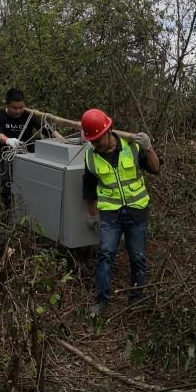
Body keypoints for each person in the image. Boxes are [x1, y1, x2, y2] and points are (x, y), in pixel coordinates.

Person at [81, 108, 161, 318]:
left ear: (108, 131)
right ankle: (101, 300)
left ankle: (135, 299)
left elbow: (156, 168)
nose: (95, 145)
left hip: (137, 212)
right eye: (92, 141)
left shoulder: (132, 147)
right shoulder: (90, 156)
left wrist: (149, 148)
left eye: (98, 140)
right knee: (105, 255)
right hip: (110, 215)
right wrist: (90, 215)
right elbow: (88, 189)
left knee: (138, 257)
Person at [0, 87, 61, 209]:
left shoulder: (29, 116)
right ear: (7, 105)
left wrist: (63, 141)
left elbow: (47, 130)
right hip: (8, 158)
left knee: (31, 186)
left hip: (29, 157)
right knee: (7, 187)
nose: (18, 111)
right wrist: (8, 140)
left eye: (21, 107)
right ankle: (8, 213)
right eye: (14, 108)